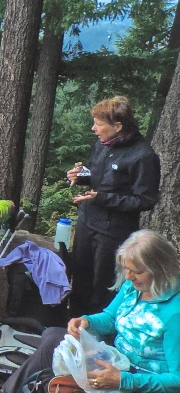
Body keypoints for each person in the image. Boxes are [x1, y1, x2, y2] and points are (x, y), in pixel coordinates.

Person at [0, 230, 180, 393]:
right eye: (127, 269)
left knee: (51, 348)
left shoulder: (174, 314)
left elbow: (176, 380)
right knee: (53, 336)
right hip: (118, 362)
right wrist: (86, 322)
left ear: (159, 268)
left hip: (149, 390)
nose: (129, 276)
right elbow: (110, 318)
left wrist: (123, 380)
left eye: (137, 272)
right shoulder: (133, 288)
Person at [66, 96, 160, 316]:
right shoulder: (102, 145)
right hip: (87, 221)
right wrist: (81, 176)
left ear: (118, 126)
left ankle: (100, 338)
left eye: (99, 124)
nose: (94, 129)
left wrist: (102, 198)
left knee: (103, 287)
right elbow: (99, 176)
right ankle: (72, 327)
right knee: (79, 277)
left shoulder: (143, 155)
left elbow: (145, 200)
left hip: (113, 232)